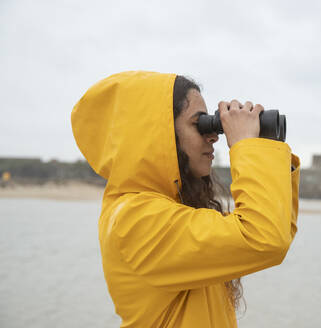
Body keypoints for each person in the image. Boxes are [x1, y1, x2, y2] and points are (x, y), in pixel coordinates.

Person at [71, 71, 300, 327]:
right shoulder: (136, 219)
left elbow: (278, 230)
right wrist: (246, 146)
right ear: (157, 134)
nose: (213, 136)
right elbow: (264, 238)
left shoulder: (170, 207)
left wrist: (271, 155)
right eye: (199, 124)